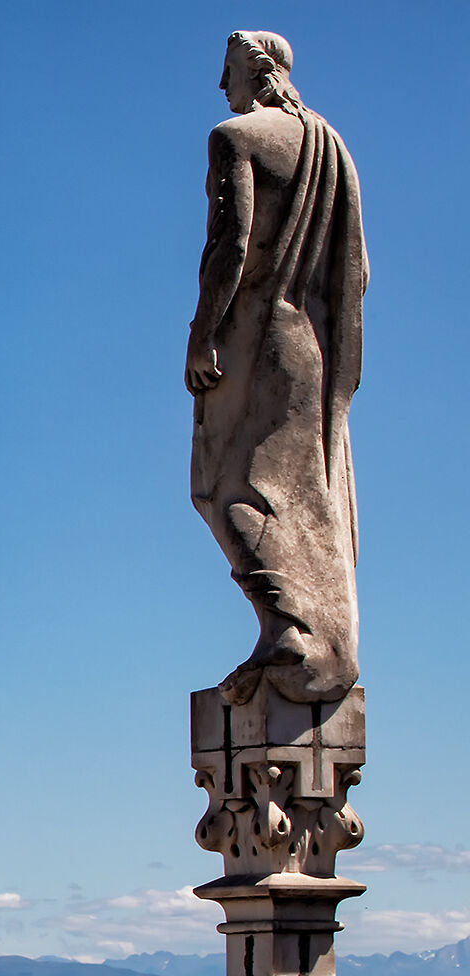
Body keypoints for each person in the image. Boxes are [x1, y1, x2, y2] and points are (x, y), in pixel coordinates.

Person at [186, 30, 368, 705]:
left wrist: (202, 336)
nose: (220, 86)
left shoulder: (236, 139)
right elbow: (362, 271)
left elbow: (229, 245)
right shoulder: (335, 152)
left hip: (258, 335)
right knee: (305, 494)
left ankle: (287, 627)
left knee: (221, 486)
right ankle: (302, 630)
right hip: (316, 347)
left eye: (226, 69)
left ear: (252, 72)